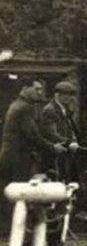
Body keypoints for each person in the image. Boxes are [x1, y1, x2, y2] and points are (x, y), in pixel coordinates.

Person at [0, 78, 65, 228]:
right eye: (36, 89)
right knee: (20, 194)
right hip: (17, 158)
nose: (39, 92)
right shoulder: (24, 107)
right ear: (25, 88)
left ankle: (10, 230)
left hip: (11, 156)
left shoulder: (17, 104)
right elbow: (32, 135)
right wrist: (53, 147)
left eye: (41, 89)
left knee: (11, 194)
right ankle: (17, 230)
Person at [39, 80, 81, 183]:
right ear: (58, 95)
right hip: (55, 155)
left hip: (66, 153)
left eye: (72, 95)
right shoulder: (50, 110)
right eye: (67, 95)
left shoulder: (65, 109)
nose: (71, 98)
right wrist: (69, 142)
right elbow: (51, 133)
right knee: (57, 183)